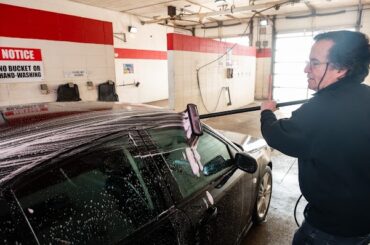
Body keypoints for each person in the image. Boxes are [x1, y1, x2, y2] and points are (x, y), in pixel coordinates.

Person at [260, 30, 370, 244]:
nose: (306, 69)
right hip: (363, 224)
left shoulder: (319, 111)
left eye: (315, 63)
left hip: (331, 229)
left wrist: (266, 112)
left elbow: (278, 135)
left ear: (341, 69)